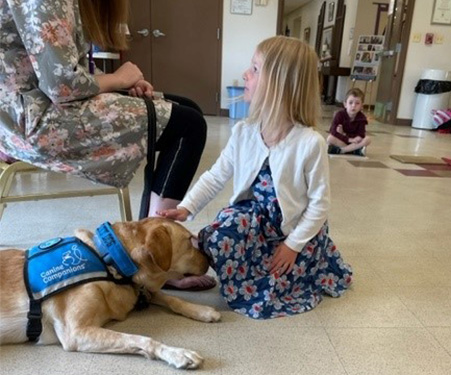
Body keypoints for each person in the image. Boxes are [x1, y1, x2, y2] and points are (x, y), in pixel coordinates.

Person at [159, 36, 352, 319]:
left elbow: (319, 206)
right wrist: (187, 207)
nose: (245, 74)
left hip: (293, 229)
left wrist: (292, 245)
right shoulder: (244, 132)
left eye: (255, 68)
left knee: (279, 276)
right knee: (213, 236)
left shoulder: (310, 143)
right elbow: (216, 176)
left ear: (280, 84)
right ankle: (248, 273)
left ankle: (271, 270)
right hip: (254, 219)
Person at [0, 0, 207, 218]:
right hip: (30, 120)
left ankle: (149, 230)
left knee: (186, 109)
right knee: (188, 126)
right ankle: (153, 237)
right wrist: (117, 79)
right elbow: (63, 85)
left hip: (39, 106)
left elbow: (72, 71)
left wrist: (123, 82)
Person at [327, 88, 371, 156]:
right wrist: (348, 138)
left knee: (367, 139)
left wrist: (355, 138)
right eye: (350, 103)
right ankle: (354, 151)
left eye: (357, 103)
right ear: (345, 104)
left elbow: (361, 134)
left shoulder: (362, 118)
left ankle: (342, 150)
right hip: (342, 140)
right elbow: (333, 131)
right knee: (330, 138)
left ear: (361, 106)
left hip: (354, 142)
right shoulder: (339, 115)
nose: (353, 106)